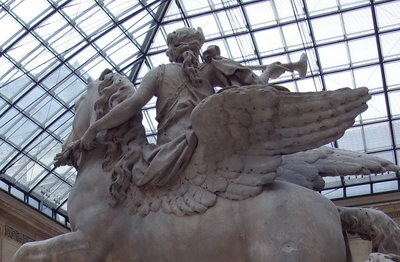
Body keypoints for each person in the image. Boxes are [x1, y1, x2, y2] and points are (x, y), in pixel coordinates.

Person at [78, 27, 294, 187]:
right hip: (214, 140)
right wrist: (266, 74)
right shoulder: (209, 70)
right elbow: (251, 91)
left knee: (139, 178)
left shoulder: (159, 73)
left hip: (175, 145)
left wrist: (95, 128)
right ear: (196, 49)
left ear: (171, 51)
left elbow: (131, 105)